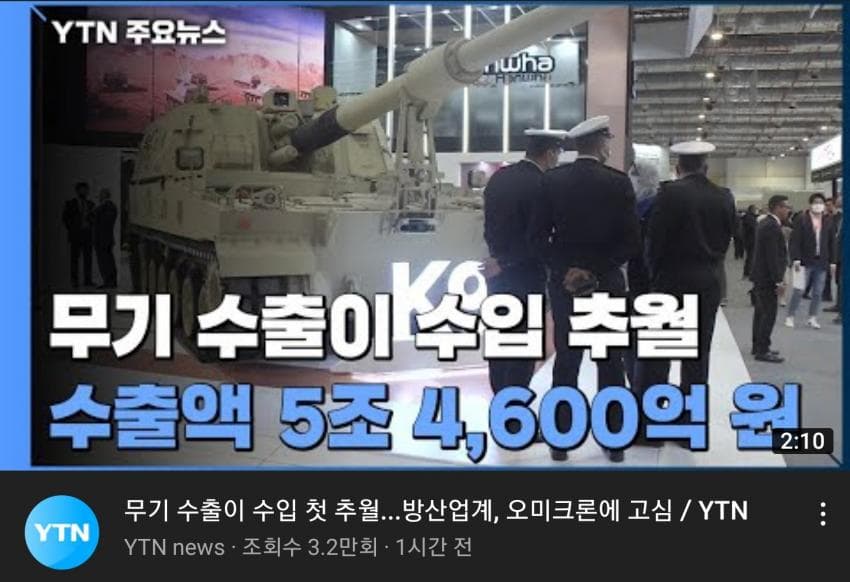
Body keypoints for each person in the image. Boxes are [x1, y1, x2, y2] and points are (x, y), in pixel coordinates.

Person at [530, 115, 641, 463]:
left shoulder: (552, 181)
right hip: (606, 284)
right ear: (602, 144)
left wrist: (567, 270)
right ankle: (614, 441)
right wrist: (594, 269)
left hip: (565, 287)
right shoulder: (618, 182)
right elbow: (631, 242)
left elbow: (537, 238)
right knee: (610, 363)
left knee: (567, 361)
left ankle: (560, 441)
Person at [636, 140, 735, 447]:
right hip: (708, 282)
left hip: (671, 282)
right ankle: (690, 430)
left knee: (658, 357)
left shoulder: (669, 194)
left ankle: (652, 429)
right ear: (706, 167)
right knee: (697, 357)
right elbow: (727, 240)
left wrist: (654, 276)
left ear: (678, 168)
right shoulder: (724, 196)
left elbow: (655, 243)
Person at [624, 159, 660, 386]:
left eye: (635, 176)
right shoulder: (628, 207)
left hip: (651, 285)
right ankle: (636, 385)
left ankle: (646, 389)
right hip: (629, 283)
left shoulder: (659, 208)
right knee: (630, 341)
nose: (632, 181)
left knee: (649, 344)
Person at [785, 193, 837, 329]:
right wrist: (795, 258)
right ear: (810, 204)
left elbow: (832, 242)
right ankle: (790, 315)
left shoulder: (828, 220)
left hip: (821, 261)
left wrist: (833, 261)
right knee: (798, 290)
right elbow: (795, 241)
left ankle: (812, 317)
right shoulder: (802, 219)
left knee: (818, 292)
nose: (818, 205)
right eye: (816, 202)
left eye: (821, 202)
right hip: (804, 261)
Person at [750, 195, 792, 363]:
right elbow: (772, 256)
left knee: (760, 313)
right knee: (768, 314)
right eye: (786, 207)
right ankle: (762, 350)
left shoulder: (766, 223)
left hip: (761, 276)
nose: (788, 210)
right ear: (777, 207)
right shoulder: (772, 226)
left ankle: (758, 345)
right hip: (767, 278)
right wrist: (778, 280)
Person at [62, 181, 95, 288]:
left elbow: (94, 219)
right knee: (74, 259)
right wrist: (72, 229)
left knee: (88, 259)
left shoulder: (91, 204)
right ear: (77, 191)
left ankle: (87, 281)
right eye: (82, 189)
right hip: (76, 235)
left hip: (87, 235)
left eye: (86, 190)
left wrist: (90, 225)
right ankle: (74, 281)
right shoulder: (70, 203)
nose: (84, 192)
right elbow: (65, 218)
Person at [93, 187, 118, 289]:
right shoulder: (105, 207)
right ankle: (109, 281)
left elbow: (105, 222)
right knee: (105, 261)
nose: (99, 196)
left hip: (104, 239)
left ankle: (109, 281)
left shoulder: (108, 206)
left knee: (106, 261)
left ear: (104, 195)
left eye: (101, 194)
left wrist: (98, 209)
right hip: (102, 239)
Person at [742, 205, 759, 278]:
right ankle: (749, 272)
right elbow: (754, 228)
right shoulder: (750, 218)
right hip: (751, 240)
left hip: (748, 239)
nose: (756, 210)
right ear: (752, 209)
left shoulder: (748, 217)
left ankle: (747, 272)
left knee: (749, 257)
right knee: (751, 257)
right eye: (755, 209)